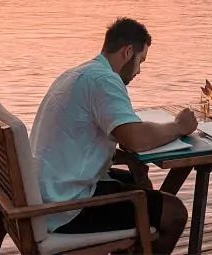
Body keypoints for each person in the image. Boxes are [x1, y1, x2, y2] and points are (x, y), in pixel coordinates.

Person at [30, 17, 196, 255]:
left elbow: (86, 140)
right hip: (65, 207)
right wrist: (179, 126)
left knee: (138, 184)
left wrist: (124, 157)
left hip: (46, 192)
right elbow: (135, 138)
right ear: (128, 52)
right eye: (141, 61)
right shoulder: (105, 80)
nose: (138, 71)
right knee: (174, 213)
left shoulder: (77, 74)